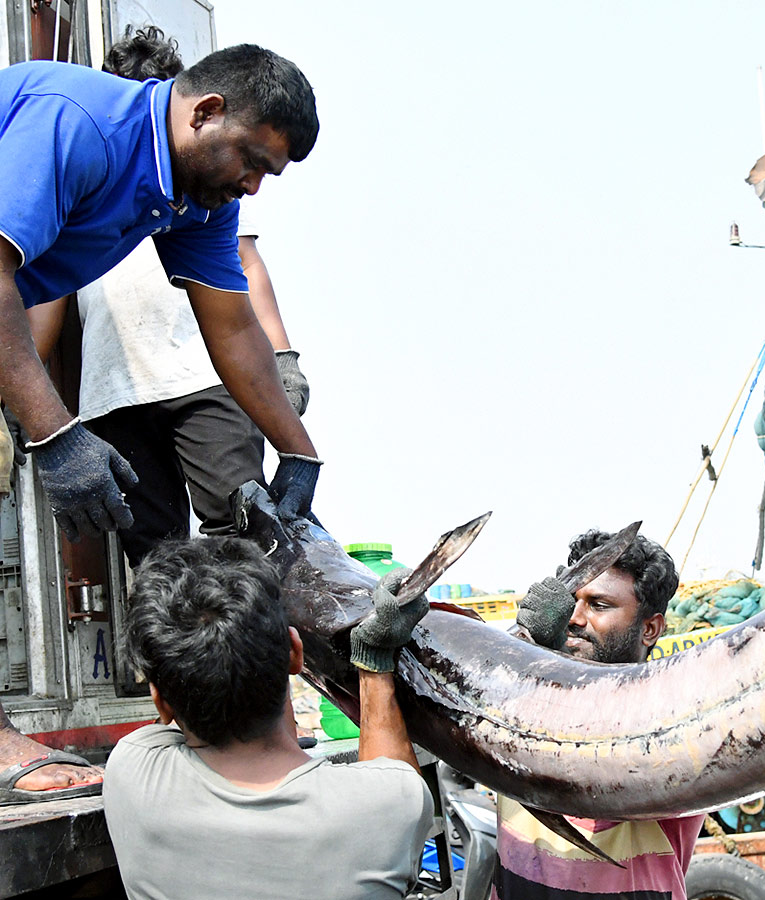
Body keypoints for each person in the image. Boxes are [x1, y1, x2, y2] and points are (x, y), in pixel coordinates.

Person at [0, 42, 320, 798]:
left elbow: (232, 326)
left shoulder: (190, 195)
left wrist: (299, 452)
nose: (252, 184)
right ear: (205, 112)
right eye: (253, 161)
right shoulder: (76, 122)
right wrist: (51, 427)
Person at [27, 26, 311, 567]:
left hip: (199, 375)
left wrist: (287, 387)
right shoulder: (83, 136)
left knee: (244, 536)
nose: (253, 186)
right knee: (157, 559)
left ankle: (266, 648)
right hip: (115, 388)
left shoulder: (204, 189)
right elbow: (40, 288)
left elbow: (236, 305)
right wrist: (39, 415)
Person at [104, 537, 433, 899]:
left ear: (160, 703)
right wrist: (373, 665)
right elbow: (387, 775)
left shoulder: (131, 769)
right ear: (295, 653)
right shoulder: (395, 801)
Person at [492, 529, 704, 900]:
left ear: (650, 628)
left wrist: (535, 653)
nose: (574, 618)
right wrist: (523, 643)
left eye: (598, 605)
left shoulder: (670, 717)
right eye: (571, 602)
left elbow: (601, 741)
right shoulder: (524, 698)